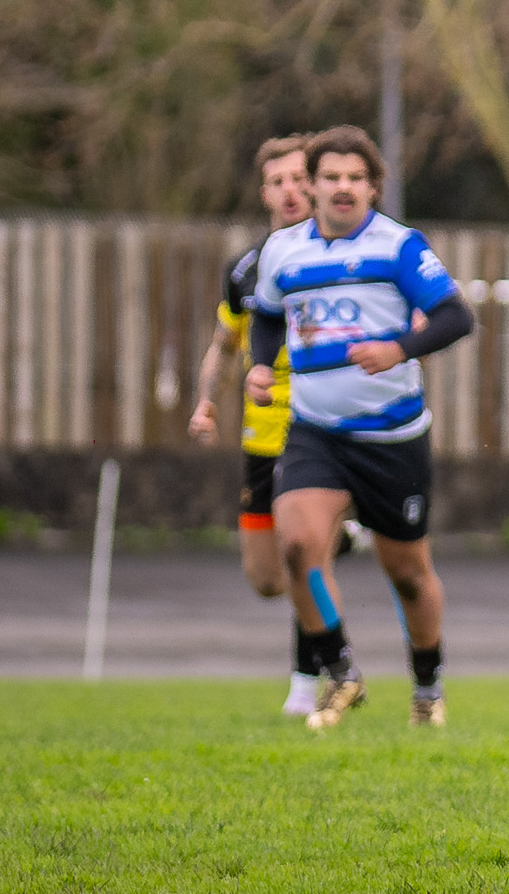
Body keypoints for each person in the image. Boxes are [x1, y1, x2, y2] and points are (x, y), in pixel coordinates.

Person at [246, 125, 475, 730]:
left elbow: (456, 317)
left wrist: (399, 348)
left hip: (392, 437)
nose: (342, 187)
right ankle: (341, 673)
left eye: (355, 177)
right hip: (315, 431)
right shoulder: (282, 252)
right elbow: (266, 317)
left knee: (408, 573)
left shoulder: (399, 247)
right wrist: (260, 368)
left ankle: (427, 686)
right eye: (330, 177)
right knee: (297, 547)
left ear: (373, 187)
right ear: (312, 185)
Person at [188, 134, 367, 717]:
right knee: (266, 577)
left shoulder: (344, 258)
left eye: (299, 179)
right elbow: (223, 344)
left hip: (320, 431)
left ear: (316, 184)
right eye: (278, 182)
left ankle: (308, 681)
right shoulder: (246, 270)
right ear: (264, 193)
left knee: (302, 554)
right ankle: (341, 539)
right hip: (260, 438)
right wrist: (204, 401)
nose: (291, 191)